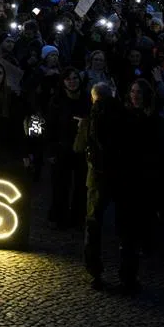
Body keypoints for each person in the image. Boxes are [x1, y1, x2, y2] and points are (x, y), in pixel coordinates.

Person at [76, 82, 145, 294]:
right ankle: (128, 275)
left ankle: (95, 272)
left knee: (93, 224)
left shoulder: (91, 120)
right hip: (125, 178)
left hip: (98, 179)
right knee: (127, 228)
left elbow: (79, 147)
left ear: (93, 98)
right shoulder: (128, 116)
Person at [45, 68, 88, 229]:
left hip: (81, 148)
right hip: (61, 148)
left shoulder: (85, 99)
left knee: (80, 186)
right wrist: (50, 149)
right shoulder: (56, 101)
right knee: (60, 185)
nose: (72, 82)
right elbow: (50, 126)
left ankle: (77, 217)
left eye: (75, 78)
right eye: (68, 79)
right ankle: (59, 216)